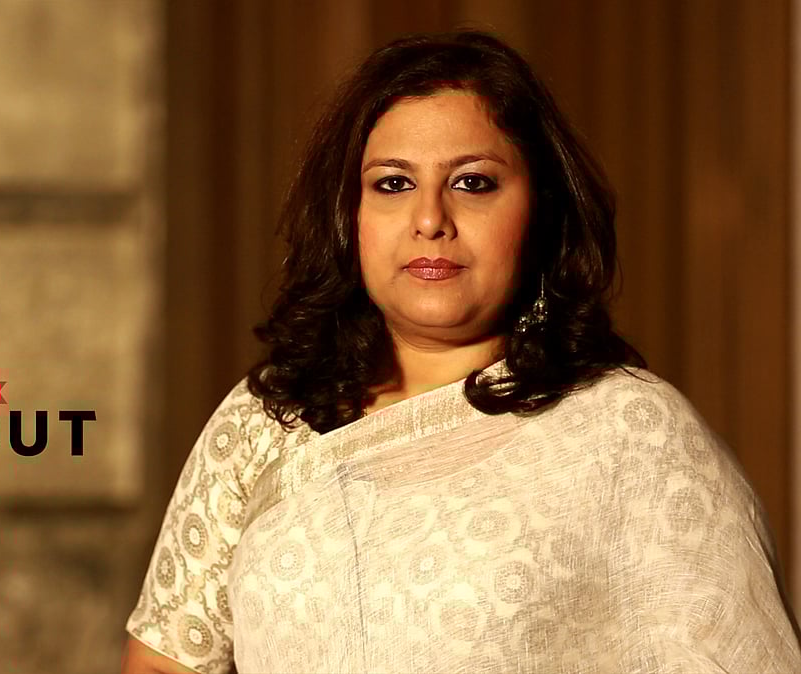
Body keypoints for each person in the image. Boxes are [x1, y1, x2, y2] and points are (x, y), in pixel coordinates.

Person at [120, 30, 801, 673]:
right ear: (348, 215)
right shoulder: (266, 419)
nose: (429, 220)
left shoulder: (631, 435)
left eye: (473, 182)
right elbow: (162, 661)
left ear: (539, 210)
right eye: (393, 184)